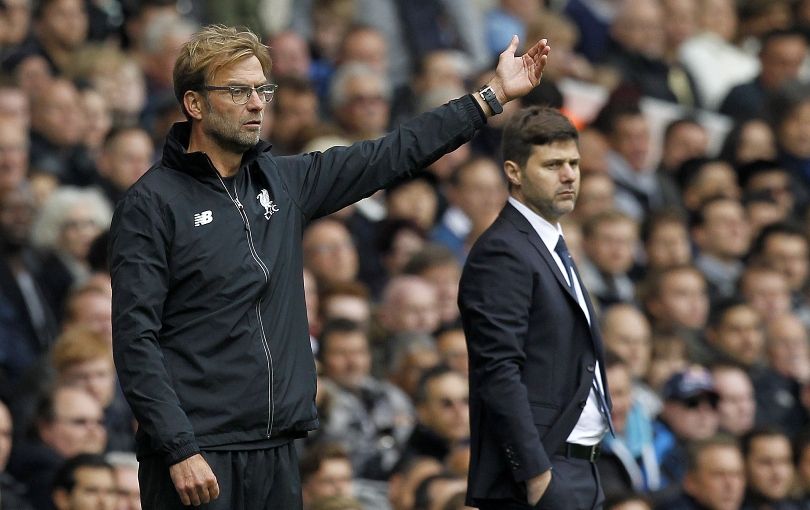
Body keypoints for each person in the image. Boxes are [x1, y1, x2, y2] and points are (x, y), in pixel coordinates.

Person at [109, 24, 551, 508]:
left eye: (262, 89)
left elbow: (392, 153)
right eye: (238, 91)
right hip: (200, 456)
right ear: (194, 104)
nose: (257, 103)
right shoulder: (151, 204)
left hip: (277, 449)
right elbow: (136, 339)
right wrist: (178, 447)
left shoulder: (282, 182)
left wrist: (491, 97)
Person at [459, 106, 611, 510]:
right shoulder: (503, 251)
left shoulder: (548, 244)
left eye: (574, 164)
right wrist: (537, 476)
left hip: (583, 470)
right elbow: (498, 370)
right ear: (514, 172)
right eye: (553, 165)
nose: (569, 176)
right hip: (540, 478)